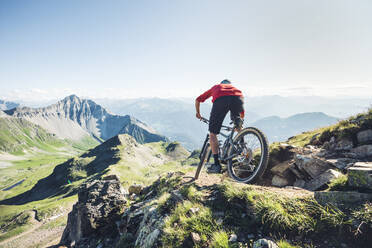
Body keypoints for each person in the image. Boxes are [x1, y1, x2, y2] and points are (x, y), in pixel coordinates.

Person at [195, 79, 244, 173]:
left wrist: (198, 113)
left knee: (213, 133)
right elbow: (242, 113)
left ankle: (217, 165)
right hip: (238, 98)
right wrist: (239, 123)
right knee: (238, 124)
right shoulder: (235, 89)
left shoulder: (217, 87)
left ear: (222, 84)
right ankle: (242, 146)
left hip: (221, 100)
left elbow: (198, 99)